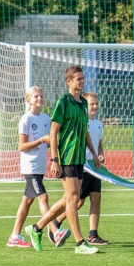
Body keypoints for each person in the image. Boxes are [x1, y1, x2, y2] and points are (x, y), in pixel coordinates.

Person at [24, 65, 101, 255]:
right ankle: (80, 243)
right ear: (69, 81)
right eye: (78, 79)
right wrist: (55, 159)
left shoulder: (82, 104)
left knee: (69, 199)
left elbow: (85, 132)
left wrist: (93, 153)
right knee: (74, 199)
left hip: (79, 158)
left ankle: (37, 228)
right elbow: (54, 131)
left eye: (83, 78)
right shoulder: (63, 102)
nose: (82, 82)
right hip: (66, 157)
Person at [7, 86, 69, 248]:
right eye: (35, 97)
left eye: (41, 96)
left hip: (40, 166)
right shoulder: (26, 120)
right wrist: (41, 140)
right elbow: (21, 146)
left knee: (27, 202)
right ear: (28, 100)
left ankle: (14, 236)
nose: (39, 99)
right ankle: (55, 232)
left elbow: (52, 138)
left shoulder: (46, 118)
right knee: (43, 197)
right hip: (30, 167)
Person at [52, 90, 109, 245]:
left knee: (96, 197)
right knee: (76, 201)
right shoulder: (81, 120)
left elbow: (99, 144)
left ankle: (93, 234)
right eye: (91, 104)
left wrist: (100, 154)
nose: (95, 106)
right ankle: (55, 223)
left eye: (96, 103)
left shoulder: (98, 124)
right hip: (81, 165)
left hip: (94, 167)